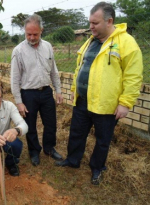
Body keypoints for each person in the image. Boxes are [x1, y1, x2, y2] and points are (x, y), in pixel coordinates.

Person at [55, 2, 143, 185]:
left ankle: (97, 167)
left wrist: (125, 103)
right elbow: (80, 67)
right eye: (90, 22)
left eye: (95, 23)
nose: (90, 27)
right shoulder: (90, 41)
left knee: (103, 140)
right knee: (76, 133)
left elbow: (133, 77)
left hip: (106, 104)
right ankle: (73, 160)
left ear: (109, 21)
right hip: (82, 100)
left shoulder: (126, 43)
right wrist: (74, 90)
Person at [11, 14, 64, 166]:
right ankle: (34, 151)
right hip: (28, 94)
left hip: (46, 92)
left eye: (35, 34)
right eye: (29, 34)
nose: (32, 37)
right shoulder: (18, 51)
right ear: (24, 32)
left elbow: (54, 70)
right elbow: (14, 79)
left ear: (42, 30)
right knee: (30, 125)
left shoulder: (47, 46)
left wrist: (58, 90)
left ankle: (49, 148)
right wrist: (19, 102)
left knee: (51, 123)